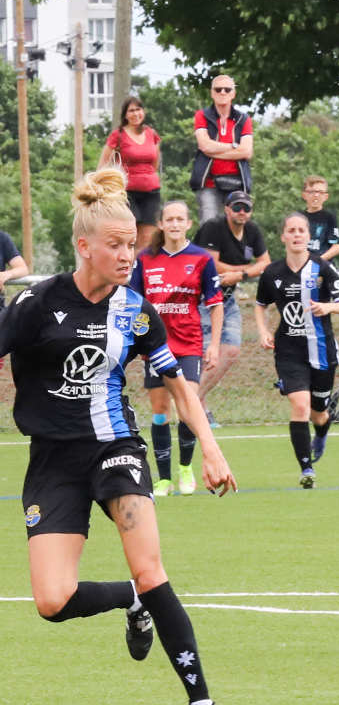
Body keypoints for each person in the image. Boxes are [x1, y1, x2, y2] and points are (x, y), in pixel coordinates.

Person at [0, 169, 237, 705]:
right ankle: (133, 600)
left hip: (114, 449)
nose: (129, 254)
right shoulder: (37, 302)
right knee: (52, 600)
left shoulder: (135, 310)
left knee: (150, 565)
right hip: (53, 460)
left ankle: (203, 704)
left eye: (133, 243)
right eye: (116, 245)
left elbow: (179, 386)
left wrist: (210, 448)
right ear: (84, 246)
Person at [131, 201, 223, 496]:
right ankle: (164, 479)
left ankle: (186, 469)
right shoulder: (145, 259)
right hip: (155, 346)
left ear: (188, 224)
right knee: (160, 412)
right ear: (160, 224)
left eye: (179, 219)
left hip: (188, 345)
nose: (174, 224)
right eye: (168, 219)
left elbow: (216, 304)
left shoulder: (201, 259)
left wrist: (215, 345)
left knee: (188, 406)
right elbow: (132, 302)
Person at [253, 213, 339, 487]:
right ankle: (306, 470)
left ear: (309, 237)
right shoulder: (272, 272)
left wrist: (328, 307)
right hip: (289, 350)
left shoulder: (323, 268)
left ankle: (320, 434)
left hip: (321, 351)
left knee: (319, 413)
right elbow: (260, 304)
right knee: (300, 405)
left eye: (301, 231)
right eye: (291, 231)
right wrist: (262, 330)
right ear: (283, 236)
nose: (297, 235)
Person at [195, 192, 271, 425]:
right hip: (201, 297)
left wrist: (240, 274)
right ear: (227, 209)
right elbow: (210, 262)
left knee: (231, 350)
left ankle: (193, 401)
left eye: (246, 208)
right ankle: (199, 409)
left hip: (226, 298)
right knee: (207, 355)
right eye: (237, 207)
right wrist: (247, 268)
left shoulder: (253, 230)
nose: (242, 212)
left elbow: (265, 263)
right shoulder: (213, 227)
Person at [99, 95, 161, 249]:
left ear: (143, 112)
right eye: (131, 110)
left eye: (138, 109)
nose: (135, 114)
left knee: (148, 237)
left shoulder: (151, 134)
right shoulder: (118, 135)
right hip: (127, 192)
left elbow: (155, 163)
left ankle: (141, 270)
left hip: (151, 191)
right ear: (125, 115)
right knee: (130, 235)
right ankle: (127, 270)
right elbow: (103, 165)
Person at [190, 75, 253, 226]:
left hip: (237, 183)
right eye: (218, 89)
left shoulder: (243, 119)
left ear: (233, 93)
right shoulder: (202, 115)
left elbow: (246, 152)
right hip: (209, 182)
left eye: (227, 89)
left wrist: (214, 149)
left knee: (236, 225)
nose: (223, 93)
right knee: (209, 224)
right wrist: (234, 145)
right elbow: (204, 146)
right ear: (212, 93)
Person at [299, 176, 339, 261]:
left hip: (322, 263)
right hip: (301, 262)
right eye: (311, 192)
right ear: (304, 195)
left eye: (321, 192)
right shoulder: (298, 218)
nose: (316, 195)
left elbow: (336, 247)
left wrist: (319, 260)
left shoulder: (329, 217)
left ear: (326, 197)